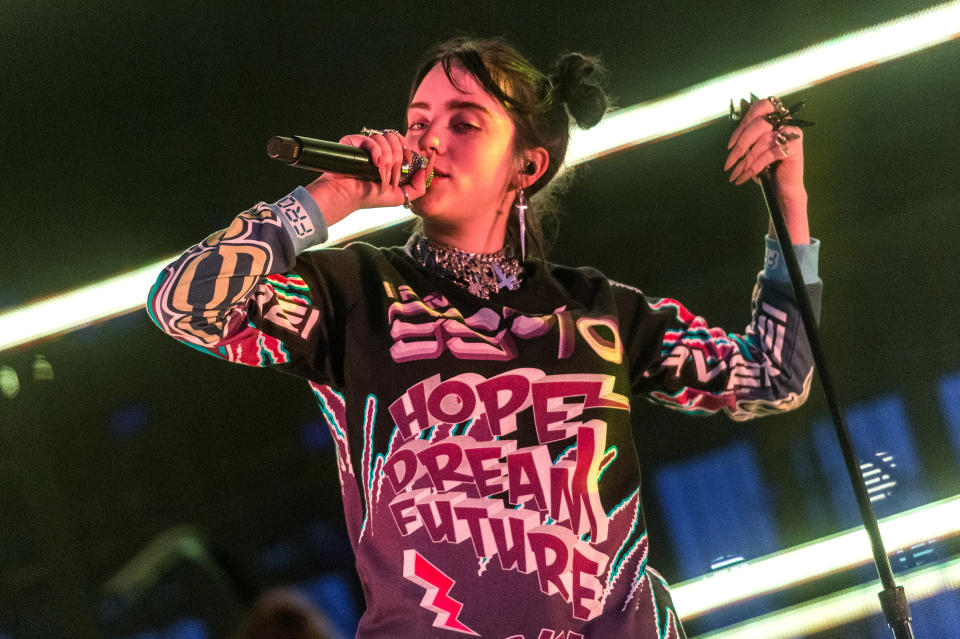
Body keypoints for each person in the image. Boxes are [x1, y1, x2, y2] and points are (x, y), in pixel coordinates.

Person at [148, 36, 819, 639]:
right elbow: (184, 303)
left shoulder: (599, 314)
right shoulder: (352, 293)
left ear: (527, 165)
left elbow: (774, 377)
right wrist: (327, 197)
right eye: (417, 124)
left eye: (463, 123)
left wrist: (789, 201)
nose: (429, 141)